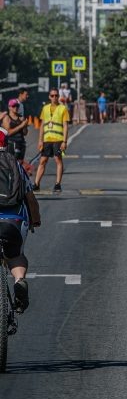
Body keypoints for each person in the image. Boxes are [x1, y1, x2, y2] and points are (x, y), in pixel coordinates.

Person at [0, 130, 41, 335]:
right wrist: (36, 221)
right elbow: (30, 198)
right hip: (14, 221)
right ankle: (19, 281)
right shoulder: (16, 165)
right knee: (15, 255)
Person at [34, 87, 69, 192]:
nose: (54, 97)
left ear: (58, 96)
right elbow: (42, 125)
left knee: (58, 160)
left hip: (58, 139)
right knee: (42, 161)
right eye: (52, 95)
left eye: (56, 95)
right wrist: (40, 140)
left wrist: (65, 141)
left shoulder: (63, 108)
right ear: (49, 97)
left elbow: (65, 125)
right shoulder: (45, 108)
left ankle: (58, 184)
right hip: (47, 139)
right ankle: (36, 184)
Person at [1, 99, 28, 164]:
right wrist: (21, 125)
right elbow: (8, 133)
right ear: (9, 107)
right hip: (11, 144)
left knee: (19, 164)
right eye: (13, 106)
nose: (15, 108)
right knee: (12, 164)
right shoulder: (7, 118)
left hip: (21, 143)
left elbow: (25, 133)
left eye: (17, 106)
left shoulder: (21, 118)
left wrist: (24, 125)